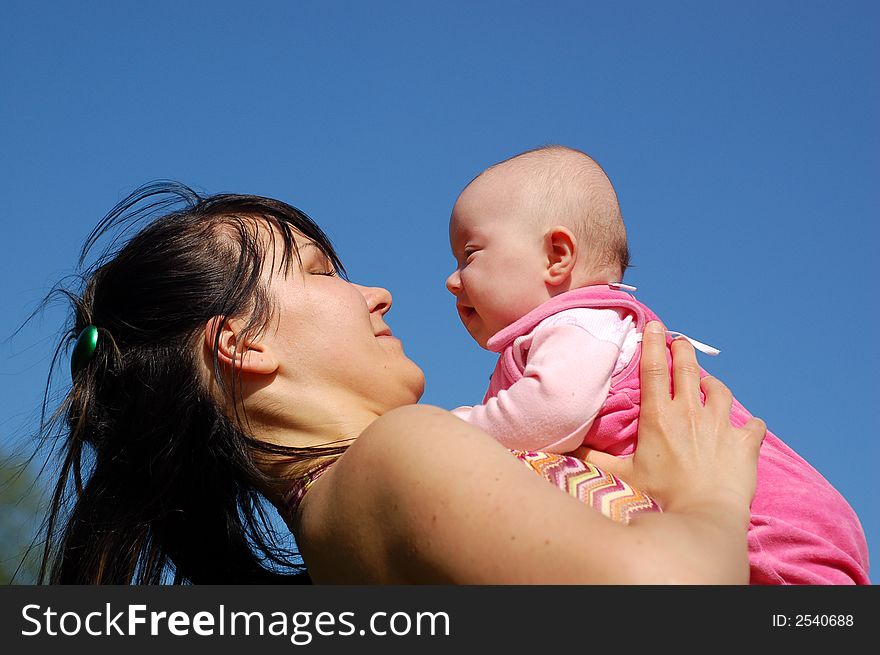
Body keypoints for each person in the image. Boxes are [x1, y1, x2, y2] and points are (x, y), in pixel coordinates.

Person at [39, 181, 766, 584]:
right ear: (243, 343)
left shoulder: (343, 533)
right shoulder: (396, 454)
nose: (378, 293)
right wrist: (707, 498)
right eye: (321, 271)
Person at [444, 145, 870, 585]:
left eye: (470, 254)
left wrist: (456, 428)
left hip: (774, 523)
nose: (452, 279)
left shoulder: (578, 324)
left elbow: (553, 412)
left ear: (557, 255)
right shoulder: (555, 338)